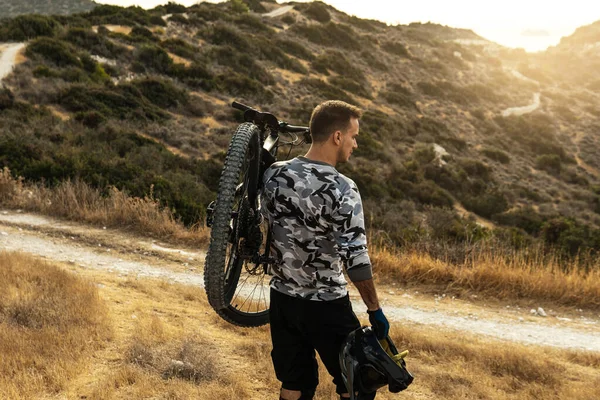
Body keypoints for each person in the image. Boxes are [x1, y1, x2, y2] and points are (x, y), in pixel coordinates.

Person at [261, 100, 390, 400]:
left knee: (294, 383)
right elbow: (356, 259)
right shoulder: (343, 188)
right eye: (354, 136)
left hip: (282, 300)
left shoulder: (274, 175)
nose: (355, 144)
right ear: (336, 137)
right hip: (326, 304)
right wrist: (375, 310)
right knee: (357, 384)